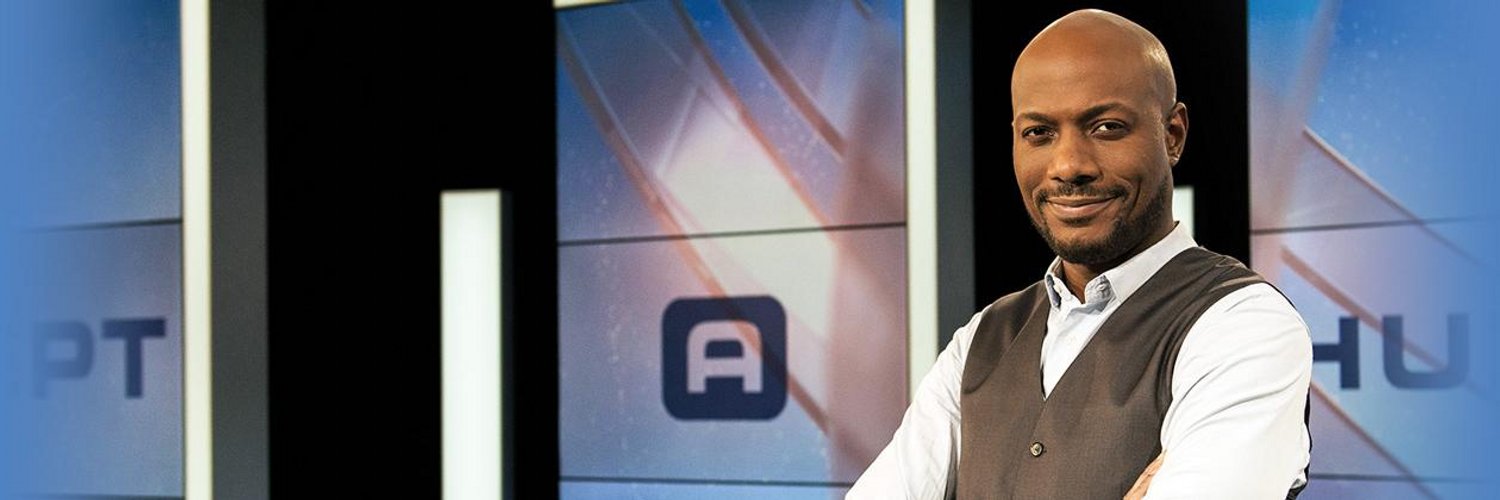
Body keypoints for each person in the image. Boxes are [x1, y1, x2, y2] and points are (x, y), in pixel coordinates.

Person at [848, 9, 1311, 499]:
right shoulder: (981, 339)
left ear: (1172, 134)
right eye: (1039, 133)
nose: (1068, 165)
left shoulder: (1244, 326)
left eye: (1106, 127)